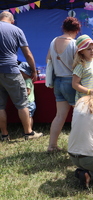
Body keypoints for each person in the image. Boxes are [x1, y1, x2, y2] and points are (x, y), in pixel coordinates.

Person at [0, 11, 42, 141]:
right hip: (11, 70)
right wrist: (33, 71)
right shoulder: (16, 30)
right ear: (12, 21)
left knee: (0, 106)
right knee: (22, 103)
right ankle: (28, 133)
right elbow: (27, 53)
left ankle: (4, 134)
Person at [46, 17, 81, 152]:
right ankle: (78, 147)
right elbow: (78, 64)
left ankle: (52, 145)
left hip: (57, 81)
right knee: (80, 115)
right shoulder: (74, 44)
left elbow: (48, 59)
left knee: (59, 116)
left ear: (63, 28)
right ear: (77, 30)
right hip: (70, 82)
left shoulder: (53, 41)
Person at [72, 34, 93, 102]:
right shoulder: (80, 66)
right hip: (86, 100)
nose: (92, 51)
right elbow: (75, 84)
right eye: (88, 49)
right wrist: (89, 91)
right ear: (82, 51)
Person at [17, 61, 37, 129]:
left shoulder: (27, 81)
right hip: (29, 102)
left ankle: (29, 129)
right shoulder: (26, 80)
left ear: (26, 73)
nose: (19, 74)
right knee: (28, 116)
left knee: (28, 116)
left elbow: (28, 92)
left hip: (29, 103)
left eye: (21, 72)